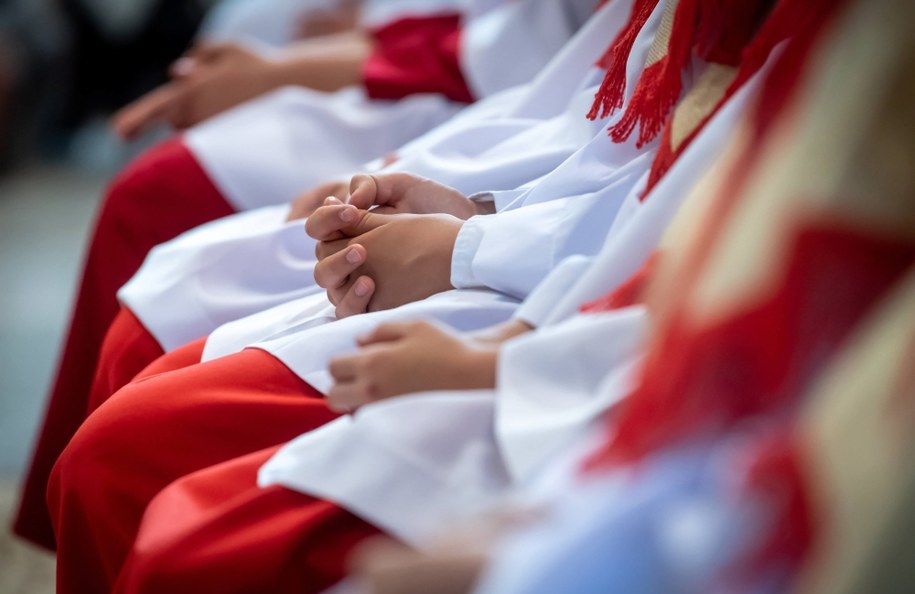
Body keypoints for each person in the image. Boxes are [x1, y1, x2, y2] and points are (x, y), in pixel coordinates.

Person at [50, 1, 810, 594]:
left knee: (153, 492)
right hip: (553, 255)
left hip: (616, 360)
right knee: (139, 364)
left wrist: (484, 280)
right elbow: (599, 127)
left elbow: (715, 256)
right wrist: (470, 209)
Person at [15, 0, 598, 551]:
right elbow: (590, 113)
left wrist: (475, 246)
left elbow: (541, 64)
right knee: (145, 327)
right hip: (530, 188)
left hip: (578, 292)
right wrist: (477, 213)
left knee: (130, 432)